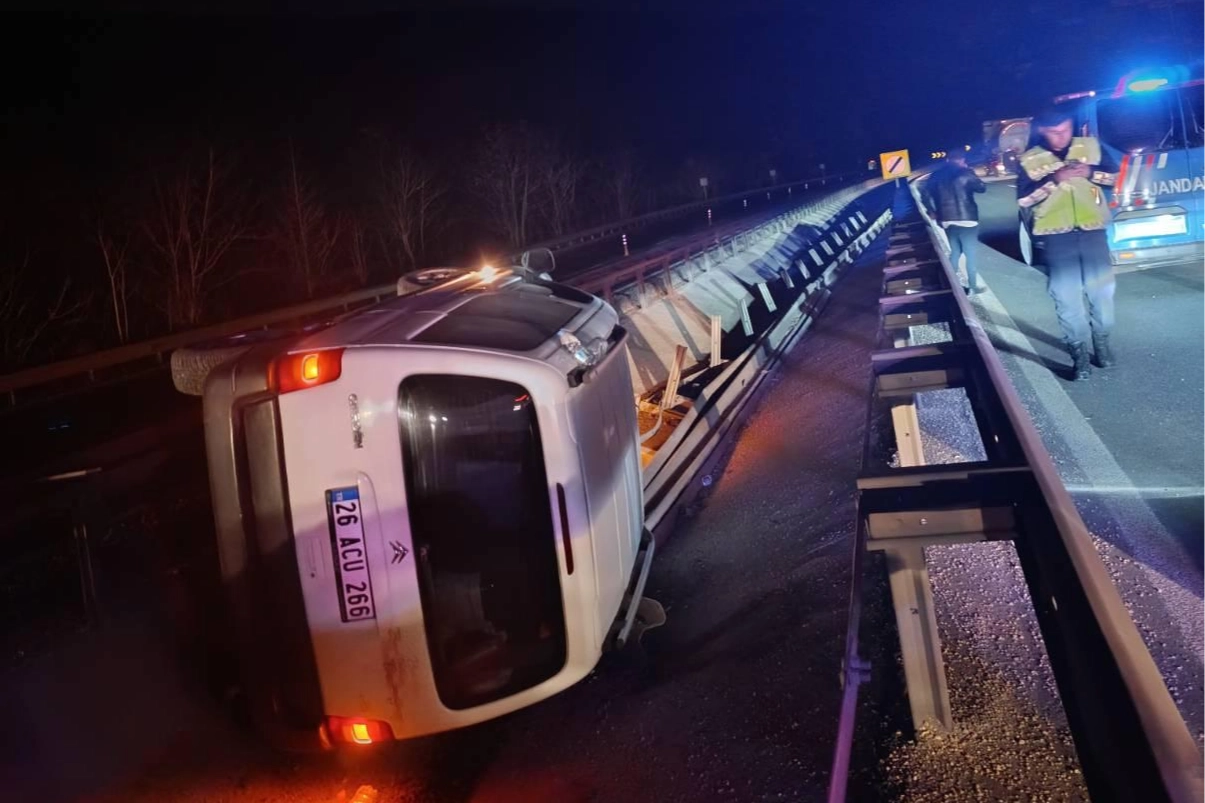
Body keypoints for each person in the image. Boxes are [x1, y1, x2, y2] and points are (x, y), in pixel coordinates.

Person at [1017, 107, 1119, 380]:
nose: (1059, 137)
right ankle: (1080, 356)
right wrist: (1053, 180)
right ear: (1041, 131)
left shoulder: (1092, 148)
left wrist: (1089, 172)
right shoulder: (1030, 160)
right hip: (1056, 239)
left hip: (1093, 234)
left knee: (1103, 294)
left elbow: (1112, 178)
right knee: (1066, 296)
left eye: (1064, 130)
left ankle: (1101, 342)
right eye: (1052, 133)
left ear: (1071, 125)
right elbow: (1024, 201)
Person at [922, 149, 987, 294]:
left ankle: (951, 285)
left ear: (947, 160)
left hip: (946, 219)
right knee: (970, 254)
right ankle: (972, 287)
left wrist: (932, 211)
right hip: (967, 219)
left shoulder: (936, 175)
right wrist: (971, 172)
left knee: (955, 252)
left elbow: (924, 194)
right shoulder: (965, 172)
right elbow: (982, 188)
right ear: (962, 160)